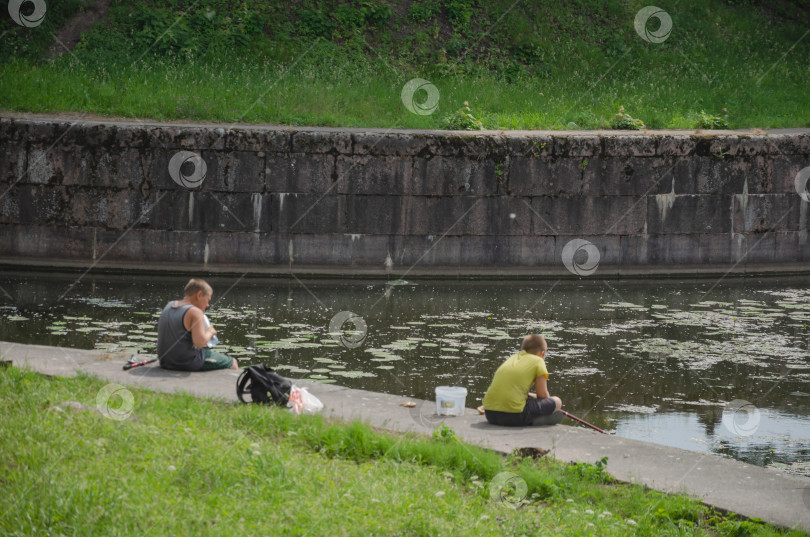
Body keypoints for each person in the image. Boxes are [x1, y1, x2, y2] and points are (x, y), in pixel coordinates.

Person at [157, 278, 238, 371]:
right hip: (185, 363)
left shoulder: (169, 305)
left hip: (165, 361)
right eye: (208, 299)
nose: (208, 305)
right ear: (199, 295)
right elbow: (200, 343)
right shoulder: (195, 312)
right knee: (232, 362)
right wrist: (210, 332)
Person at [481, 334, 562, 426]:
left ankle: (534, 419)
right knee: (557, 401)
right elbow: (542, 395)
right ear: (541, 353)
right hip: (514, 416)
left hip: (490, 415)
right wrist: (549, 402)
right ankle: (536, 420)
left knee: (529, 398)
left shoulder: (512, 358)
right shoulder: (538, 361)